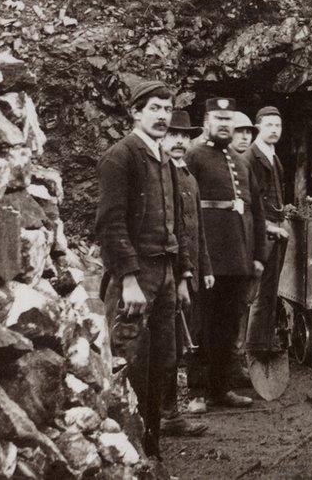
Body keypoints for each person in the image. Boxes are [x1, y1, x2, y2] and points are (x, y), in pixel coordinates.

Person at [95, 79, 192, 457]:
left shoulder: (165, 160)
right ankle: (127, 452)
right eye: (154, 108)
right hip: (135, 280)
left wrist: (182, 276)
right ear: (135, 112)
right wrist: (129, 279)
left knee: (163, 363)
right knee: (130, 361)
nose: (163, 116)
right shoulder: (121, 157)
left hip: (165, 277)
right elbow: (111, 224)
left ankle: (151, 451)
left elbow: (177, 224)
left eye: (167, 109)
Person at [185, 97, 266, 413]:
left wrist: (258, 255)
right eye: (218, 118)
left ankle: (221, 389)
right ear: (207, 121)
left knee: (229, 325)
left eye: (228, 119)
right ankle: (197, 392)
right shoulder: (194, 155)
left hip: (238, 258)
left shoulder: (240, 159)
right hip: (208, 257)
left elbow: (255, 210)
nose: (223, 124)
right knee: (202, 323)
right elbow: (187, 209)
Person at [159, 110, 212, 437]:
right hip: (168, 272)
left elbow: (197, 229)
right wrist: (179, 274)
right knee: (165, 344)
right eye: (172, 134)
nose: (179, 140)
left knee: (178, 341)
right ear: (163, 138)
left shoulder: (189, 177)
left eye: (184, 135)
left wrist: (201, 267)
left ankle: (170, 413)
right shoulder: (161, 176)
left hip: (188, 272)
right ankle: (165, 414)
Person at [244, 106, 290, 359]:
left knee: (271, 289)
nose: (274, 129)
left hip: (276, 231)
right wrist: (268, 227)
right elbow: (249, 202)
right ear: (258, 127)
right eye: (269, 125)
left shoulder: (273, 156)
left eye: (278, 125)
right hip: (262, 233)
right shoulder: (251, 157)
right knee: (257, 290)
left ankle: (261, 343)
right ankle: (251, 347)